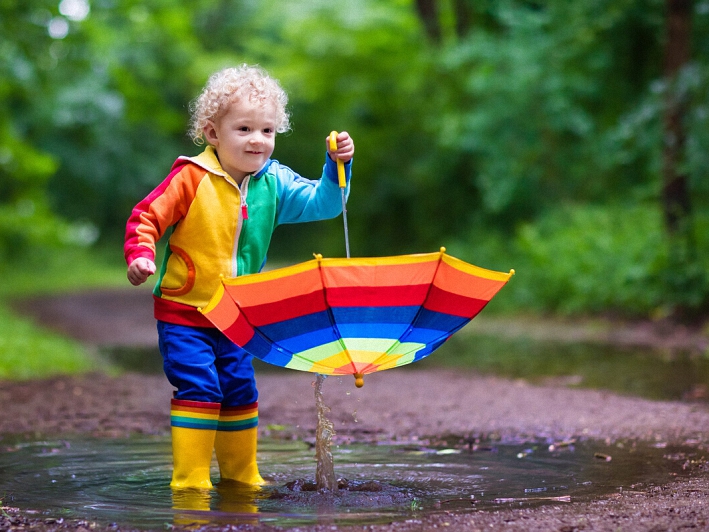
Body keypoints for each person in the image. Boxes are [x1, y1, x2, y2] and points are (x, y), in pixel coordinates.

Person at [124, 64, 354, 490]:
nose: (257, 140)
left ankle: (242, 475)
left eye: (267, 131)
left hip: (237, 315)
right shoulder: (191, 177)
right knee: (199, 386)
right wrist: (141, 255)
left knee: (239, 389)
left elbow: (326, 203)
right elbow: (146, 218)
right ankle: (191, 480)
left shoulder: (275, 184)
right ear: (213, 134)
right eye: (244, 128)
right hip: (185, 311)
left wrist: (337, 165)